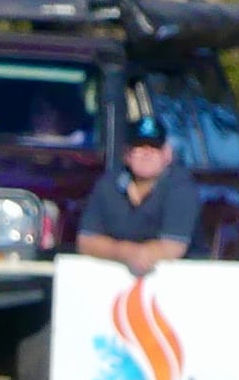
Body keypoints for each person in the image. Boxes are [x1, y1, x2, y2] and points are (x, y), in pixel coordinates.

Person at [76, 112, 200, 274]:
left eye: (154, 147)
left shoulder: (182, 188)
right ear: (127, 154)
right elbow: (86, 241)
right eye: (139, 146)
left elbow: (173, 246)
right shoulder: (107, 185)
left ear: (167, 154)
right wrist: (127, 253)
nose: (146, 153)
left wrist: (144, 254)